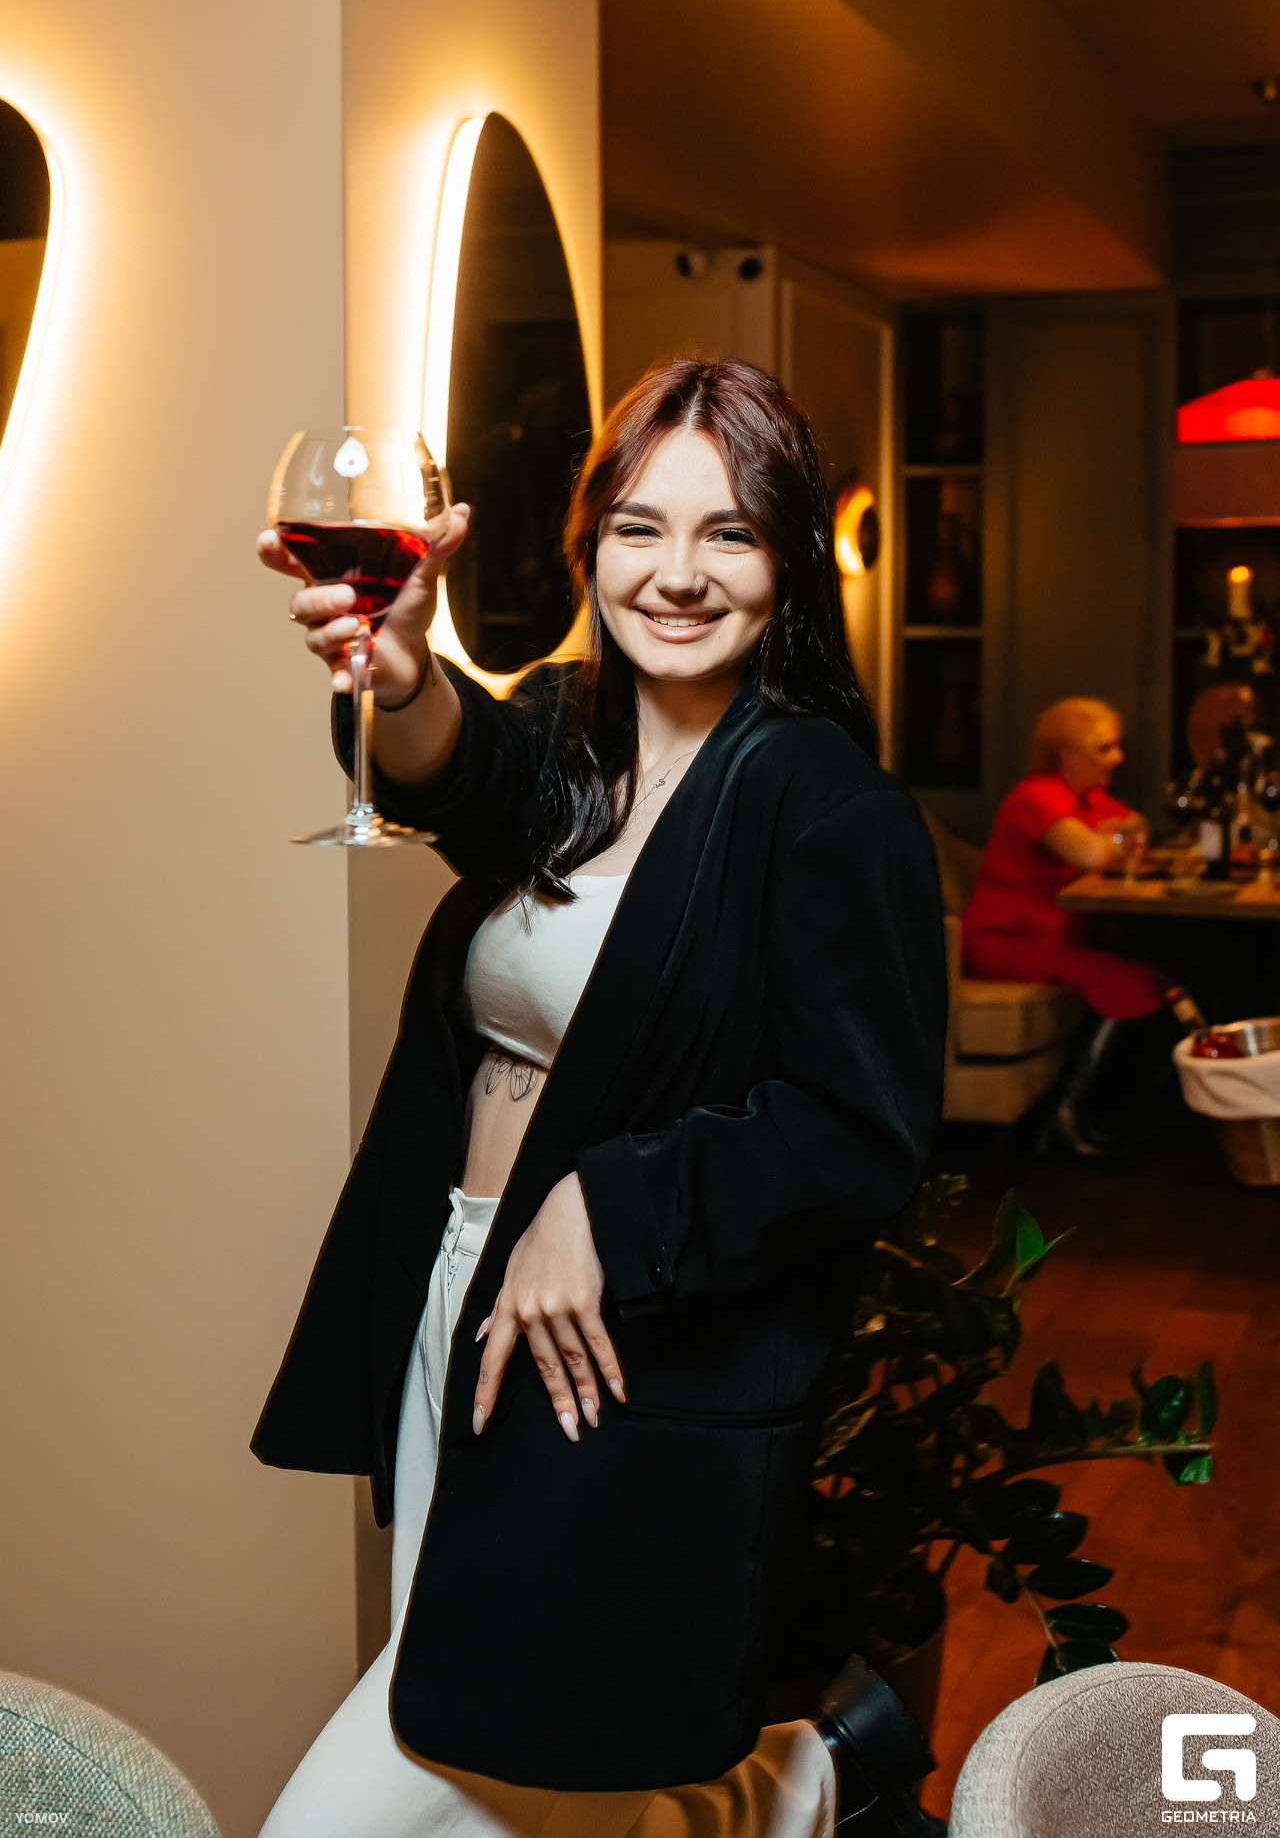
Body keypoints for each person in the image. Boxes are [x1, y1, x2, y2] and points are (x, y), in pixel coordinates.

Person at [250, 360, 947, 1836]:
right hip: (456, 1290)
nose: (676, 575)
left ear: (788, 559)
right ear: (590, 545)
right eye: (639, 528)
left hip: (612, 1352)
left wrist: (606, 1207)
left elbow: (857, 1129)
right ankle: (793, 1784)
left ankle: (792, 1786)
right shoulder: (573, 731)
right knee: (507, 1736)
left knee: (433, 1755)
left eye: (727, 533)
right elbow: (462, 775)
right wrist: (403, 676)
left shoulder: (826, 802)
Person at [962, 697, 1175, 1154]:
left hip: (1053, 940)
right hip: (1008, 944)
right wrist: (1115, 837)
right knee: (1132, 983)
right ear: (1066, 754)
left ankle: (1122, 1110)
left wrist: (1118, 835)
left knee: (1160, 977)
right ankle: (1067, 1118)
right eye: (1104, 748)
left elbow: (1137, 828)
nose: (1118, 758)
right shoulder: (1035, 796)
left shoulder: (1085, 799)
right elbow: (1092, 853)